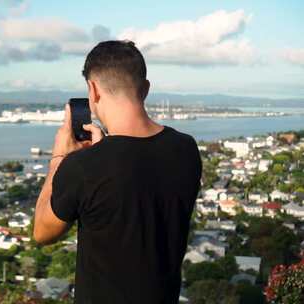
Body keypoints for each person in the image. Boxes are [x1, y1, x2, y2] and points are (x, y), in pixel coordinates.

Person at [33, 40, 202, 303]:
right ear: (145, 89)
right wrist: (103, 151)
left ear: (93, 90)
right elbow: (134, 176)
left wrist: (59, 158)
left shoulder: (84, 167)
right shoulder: (186, 149)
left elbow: (42, 232)